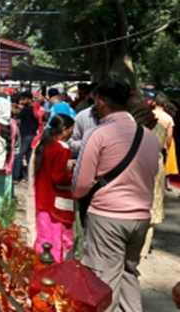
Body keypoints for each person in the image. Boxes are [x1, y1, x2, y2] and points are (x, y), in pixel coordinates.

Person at [72, 78, 160, 312]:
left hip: (108, 216)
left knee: (104, 278)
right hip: (140, 217)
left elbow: (81, 184)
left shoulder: (98, 134)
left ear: (100, 102)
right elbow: (152, 174)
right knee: (129, 274)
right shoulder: (149, 137)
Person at [31, 114, 75, 262]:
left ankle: (39, 265)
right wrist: (73, 177)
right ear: (64, 129)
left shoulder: (44, 144)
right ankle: (54, 268)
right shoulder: (63, 148)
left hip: (43, 196)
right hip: (56, 198)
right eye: (71, 130)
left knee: (44, 235)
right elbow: (59, 177)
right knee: (58, 238)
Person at [127, 95, 167, 258]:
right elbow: (164, 146)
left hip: (137, 168)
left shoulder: (132, 128)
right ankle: (143, 249)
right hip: (156, 168)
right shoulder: (160, 128)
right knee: (153, 206)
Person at [13, 91, 39, 183]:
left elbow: (17, 121)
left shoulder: (26, 110)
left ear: (29, 99)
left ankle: (16, 177)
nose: (21, 101)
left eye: (23, 99)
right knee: (29, 157)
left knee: (18, 156)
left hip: (25, 135)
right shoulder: (37, 109)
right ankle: (28, 177)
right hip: (33, 135)